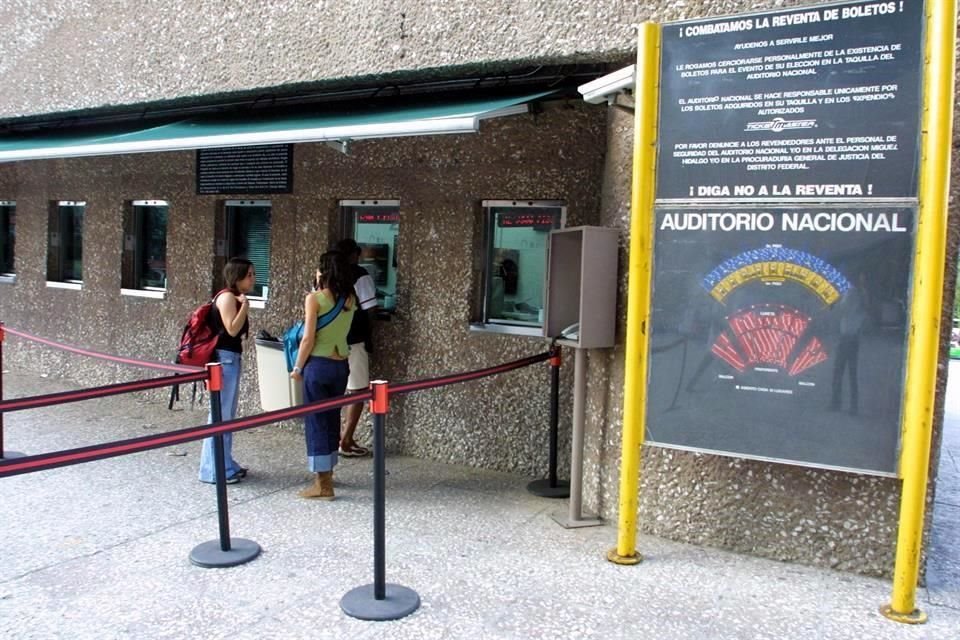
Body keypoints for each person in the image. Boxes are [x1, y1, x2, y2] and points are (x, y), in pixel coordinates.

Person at [290, 250, 356, 499]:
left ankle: (323, 484)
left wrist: (297, 368)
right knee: (331, 418)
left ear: (324, 271)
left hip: (318, 364)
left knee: (316, 420)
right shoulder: (350, 298)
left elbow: (308, 338)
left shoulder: (315, 299)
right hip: (341, 365)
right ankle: (329, 471)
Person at [198, 257, 254, 485]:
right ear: (237, 276)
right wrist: (245, 307)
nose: (253, 279)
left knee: (226, 415)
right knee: (220, 415)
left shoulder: (230, 296)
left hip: (230, 358)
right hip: (225, 359)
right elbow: (232, 329)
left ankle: (225, 463)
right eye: (249, 274)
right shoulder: (228, 297)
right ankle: (213, 470)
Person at [336, 238, 379, 456]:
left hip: (330, 342)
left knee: (336, 391)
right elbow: (370, 307)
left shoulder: (325, 275)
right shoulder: (359, 274)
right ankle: (346, 439)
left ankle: (336, 437)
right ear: (355, 254)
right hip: (354, 339)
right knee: (359, 389)